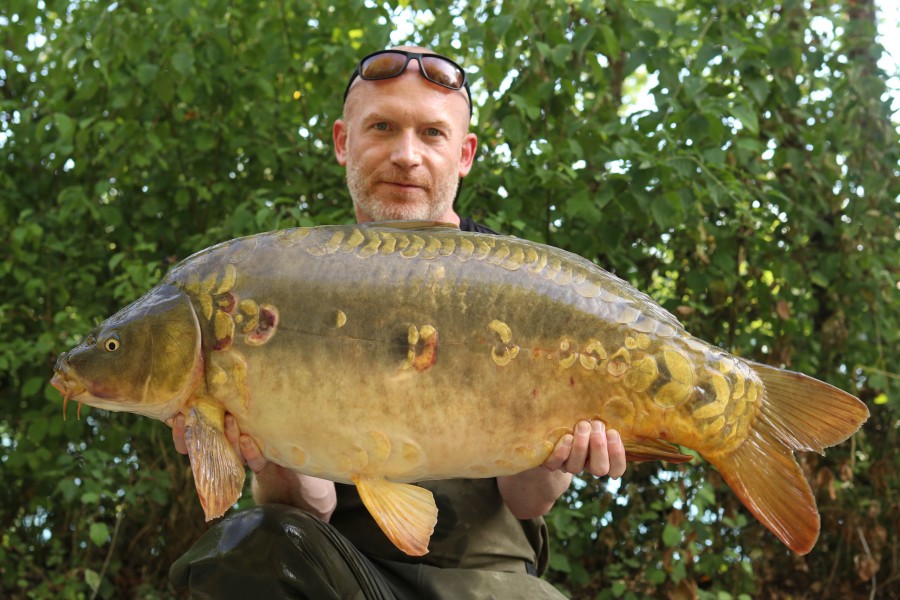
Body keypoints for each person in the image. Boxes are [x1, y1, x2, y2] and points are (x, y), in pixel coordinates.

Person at [168, 45, 627, 599]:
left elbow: (527, 501)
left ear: (464, 154)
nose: (406, 155)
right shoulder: (292, 285)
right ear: (344, 141)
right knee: (246, 549)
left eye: (432, 134)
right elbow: (309, 510)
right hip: (345, 576)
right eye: (382, 127)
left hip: (490, 581)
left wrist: (568, 448)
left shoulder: (524, 290)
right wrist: (263, 448)